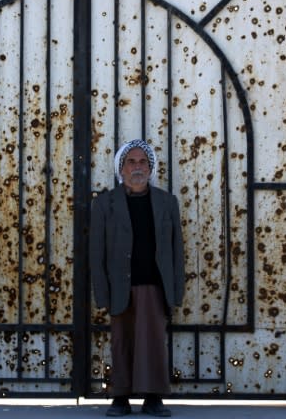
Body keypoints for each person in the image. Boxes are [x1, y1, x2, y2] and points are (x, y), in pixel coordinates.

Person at [90, 139, 185, 417]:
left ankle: (153, 398)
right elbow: (97, 252)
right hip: (121, 286)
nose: (137, 167)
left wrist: (176, 289)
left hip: (155, 285)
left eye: (143, 161)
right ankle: (120, 398)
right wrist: (102, 292)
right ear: (121, 167)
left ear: (151, 167)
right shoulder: (105, 203)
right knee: (122, 342)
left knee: (154, 342)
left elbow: (176, 247)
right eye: (131, 162)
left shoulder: (167, 202)